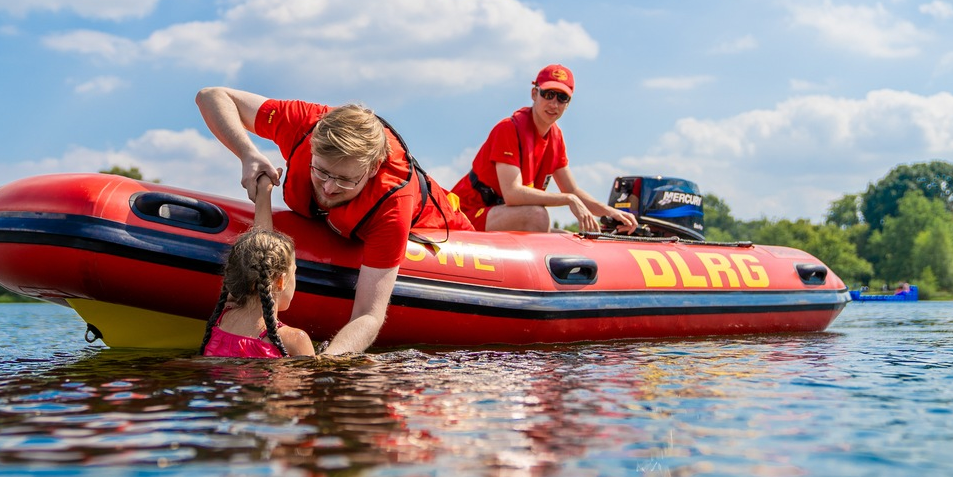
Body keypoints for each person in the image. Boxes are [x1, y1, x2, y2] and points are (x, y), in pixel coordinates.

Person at [196, 87, 473, 355]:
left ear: (373, 168)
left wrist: (326, 364)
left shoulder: (393, 205)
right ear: (313, 147)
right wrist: (247, 153)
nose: (328, 188)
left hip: (443, 228)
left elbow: (368, 314)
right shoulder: (303, 123)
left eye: (344, 179)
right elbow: (211, 96)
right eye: (321, 171)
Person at [450, 64, 639, 234]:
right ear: (534, 94)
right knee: (537, 216)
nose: (554, 104)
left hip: (499, 215)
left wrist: (611, 212)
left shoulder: (555, 137)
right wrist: (568, 200)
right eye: (548, 95)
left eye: (562, 97)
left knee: (569, 238)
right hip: (465, 214)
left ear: (568, 104)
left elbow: (572, 189)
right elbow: (513, 194)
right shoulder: (508, 129)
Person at [200, 175, 316, 358]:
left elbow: (258, 252)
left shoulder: (222, 318)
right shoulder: (294, 340)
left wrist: (263, 192)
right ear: (280, 281)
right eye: (295, 272)